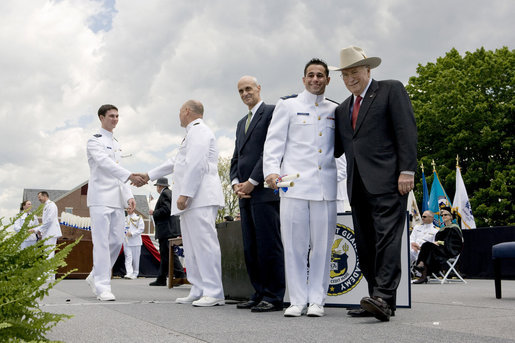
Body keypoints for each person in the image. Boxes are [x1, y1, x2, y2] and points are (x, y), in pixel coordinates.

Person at [332, 46, 417, 321]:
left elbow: (406, 130)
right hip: (357, 186)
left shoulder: (391, 90)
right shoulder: (343, 108)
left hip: (390, 182)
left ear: (368, 70)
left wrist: (407, 170)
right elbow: (334, 149)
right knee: (366, 244)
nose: (349, 78)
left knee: (387, 240)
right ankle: (377, 300)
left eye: (354, 72)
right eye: (344, 75)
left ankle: (383, 296)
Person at [263, 58, 337, 317]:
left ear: (328, 80)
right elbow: (274, 143)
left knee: (322, 247)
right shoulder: (288, 106)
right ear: (303, 79)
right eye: (311, 75)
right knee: (294, 246)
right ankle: (297, 299)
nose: (315, 79)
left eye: (320, 75)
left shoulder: (334, 109)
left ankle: (317, 299)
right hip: (292, 186)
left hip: (324, 189)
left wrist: (341, 182)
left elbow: (340, 153)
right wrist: (271, 171)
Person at [137, 100, 225, 307]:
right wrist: (148, 175)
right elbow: (176, 162)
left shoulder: (199, 131)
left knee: (205, 243)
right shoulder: (191, 134)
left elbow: (197, 163)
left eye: (179, 111)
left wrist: (185, 194)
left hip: (200, 196)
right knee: (193, 246)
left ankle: (214, 291)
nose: (178, 115)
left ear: (186, 111)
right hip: (193, 199)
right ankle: (198, 288)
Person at [230, 75, 285, 313]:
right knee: (250, 246)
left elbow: (270, 150)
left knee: (268, 245)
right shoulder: (241, 122)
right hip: (245, 194)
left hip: (264, 191)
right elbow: (236, 157)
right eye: (241, 91)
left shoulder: (272, 112)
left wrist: (253, 181)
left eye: (248, 89)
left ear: (259, 88)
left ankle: (273, 295)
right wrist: (235, 184)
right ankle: (259, 291)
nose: (245, 94)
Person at [85, 104, 145, 301]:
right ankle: (103, 286)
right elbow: (105, 164)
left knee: (116, 241)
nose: (115, 119)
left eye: (117, 116)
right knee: (101, 242)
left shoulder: (116, 143)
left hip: (117, 199)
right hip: (101, 198)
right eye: (111, 116)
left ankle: (95, 274)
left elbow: (118, 170)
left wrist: (129, 195)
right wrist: (131, 176)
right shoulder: (94, 141)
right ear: (101, 117)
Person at [149, 177, 186, 286]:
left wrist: (154, 212)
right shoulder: (170, 193)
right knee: (167, 254)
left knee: (168, 254)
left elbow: (166, 209)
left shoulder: (165, 194)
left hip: (166, 229)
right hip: (170, 228)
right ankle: (164, 278)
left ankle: (178, 275)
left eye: (157, 186)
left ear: (159, 186)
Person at [413, 207, 463, 284]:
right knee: (426, 245)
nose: (443, 216)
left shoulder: (454, 228)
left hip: (449, 250)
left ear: (451, 217)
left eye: (446, 215)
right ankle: (423, 272)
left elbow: (454, 243)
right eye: (442, 215)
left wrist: (439, 242)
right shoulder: (442, 229)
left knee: (427, 246)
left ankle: (422, 271)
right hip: (441, 249)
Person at [29, 192, 62, 262]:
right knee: (47, 252)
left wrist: (37, 230)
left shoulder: (51, 205)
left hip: (51, 232)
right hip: (47, 232)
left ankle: (49, 272)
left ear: (45, 196)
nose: (39, 199)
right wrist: (39, 230)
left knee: (49, 253)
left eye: (39, 197)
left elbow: (49, 220)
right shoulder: (47, 206)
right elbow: (46, 222)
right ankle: (47, 272)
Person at [123, 207, 144, 280]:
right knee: (128, 257)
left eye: (129, 209)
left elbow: (141, 229)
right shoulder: (125, 218)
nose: (128, 210)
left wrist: (132, 233)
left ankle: (135, 273)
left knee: (135, 259)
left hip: (136, 241)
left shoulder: (138, 217)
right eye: (127, 209)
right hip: (126, 241)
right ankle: (129, 273)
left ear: (133, 209)